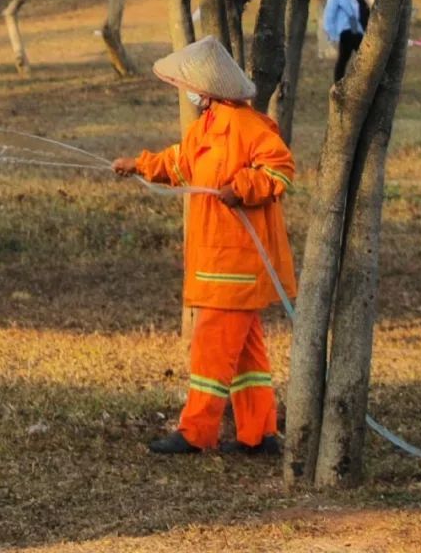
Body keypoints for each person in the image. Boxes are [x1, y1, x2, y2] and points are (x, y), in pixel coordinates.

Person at [112, 37, 296, 456]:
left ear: (210, 88)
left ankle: (197, 432)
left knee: (212, 346)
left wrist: (243, 187)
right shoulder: (207, 128)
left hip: (237, 262)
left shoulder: (249, 127)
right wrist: (138, 165)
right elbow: (179, 163)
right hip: (215, 258)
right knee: (247, 353)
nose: (189, 93)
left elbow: (281, 171)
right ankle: (259, 433)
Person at [323, 0, 369, 82]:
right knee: (359, 55)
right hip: (347, 26)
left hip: (354, 25)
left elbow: (358, 5)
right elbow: (331, 8)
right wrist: (330, 31)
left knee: (346, 57)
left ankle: (342, 83)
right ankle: (342, 83)